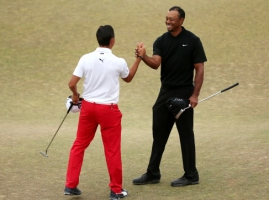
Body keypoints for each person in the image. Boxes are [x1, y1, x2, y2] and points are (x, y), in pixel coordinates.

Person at [64, 25, 142, 200]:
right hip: (109, 110)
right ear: (112, 40)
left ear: (97, 40)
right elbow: (128, 78)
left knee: (79, 145)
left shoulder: (85, 58)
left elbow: (71, 83)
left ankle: (70, 185)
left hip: (88, 108)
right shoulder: (118, 61)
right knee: (112, 150)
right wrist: (139, 59)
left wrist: (76, 95)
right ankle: (116, 190)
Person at [133, 6, 207, 187]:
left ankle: (191, 175)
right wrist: (143, 57)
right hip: (165, 92)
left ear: (181, 21)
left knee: (186, 135)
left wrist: (195, 95)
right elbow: (156, 63)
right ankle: (153, 173)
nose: (168, 21)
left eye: (172, 19)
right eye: (166, 18)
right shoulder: (161, 41)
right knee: (158, 133)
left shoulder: (193, 40)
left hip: (184, 93)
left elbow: (200, 68)